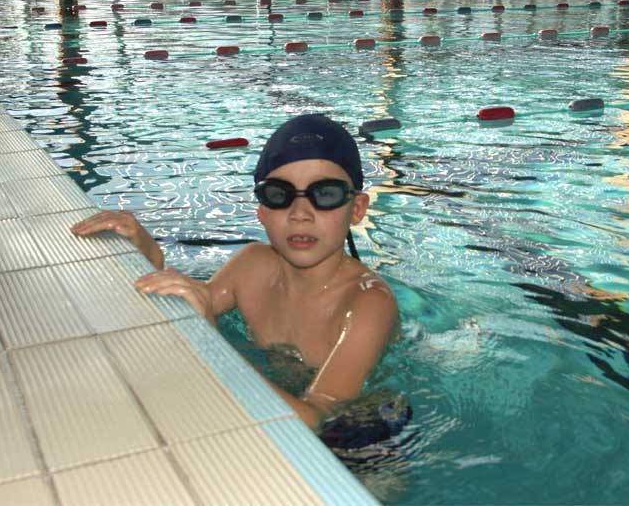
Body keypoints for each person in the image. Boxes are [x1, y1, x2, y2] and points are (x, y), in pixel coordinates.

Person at [71, 113, 399, 431]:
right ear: (262, 212)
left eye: (325, 194)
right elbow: (196, 302)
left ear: (357, 209)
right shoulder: (252, 266)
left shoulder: (368, 304)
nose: (300, 213)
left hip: (358, 432)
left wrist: (215, 348)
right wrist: (147, 254)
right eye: (279, 195)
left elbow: (319, 419)